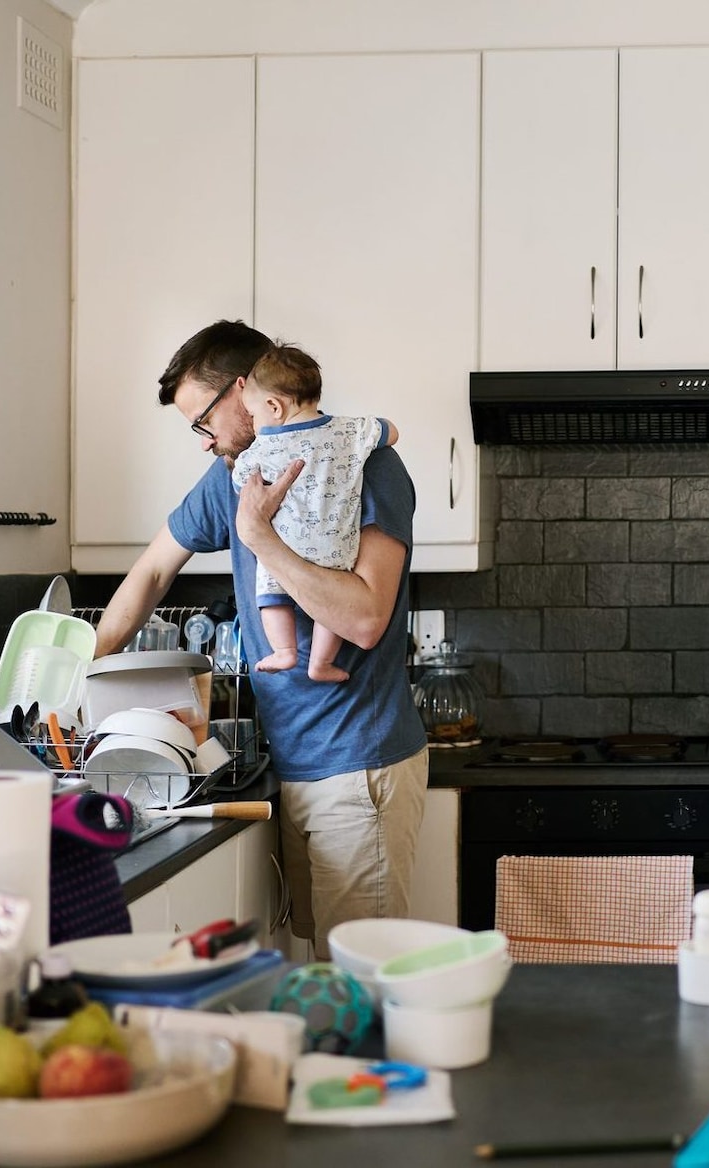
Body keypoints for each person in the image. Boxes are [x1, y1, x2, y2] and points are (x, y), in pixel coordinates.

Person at [92, 320, 428, 959]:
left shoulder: (365, 463)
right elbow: (154, 569)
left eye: (203, 420)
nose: (204, 441)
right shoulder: (235, 475)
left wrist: (262, 539)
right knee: (321, 971)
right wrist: (89, 666)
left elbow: (364, 619)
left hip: (358, 766)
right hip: (292, 767)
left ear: (247, 392)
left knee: (364, 984)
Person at [230, 345, 399, 683]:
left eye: (252, 415)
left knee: (271, 594)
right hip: (336, 548)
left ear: (274, 406)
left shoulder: (263, 448)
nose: (253, 424)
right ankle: (321, 664)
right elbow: (391, 431)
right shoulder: (350, 431)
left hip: (286, 548)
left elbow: (241, 482)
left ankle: (284, 651)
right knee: (330, 611)